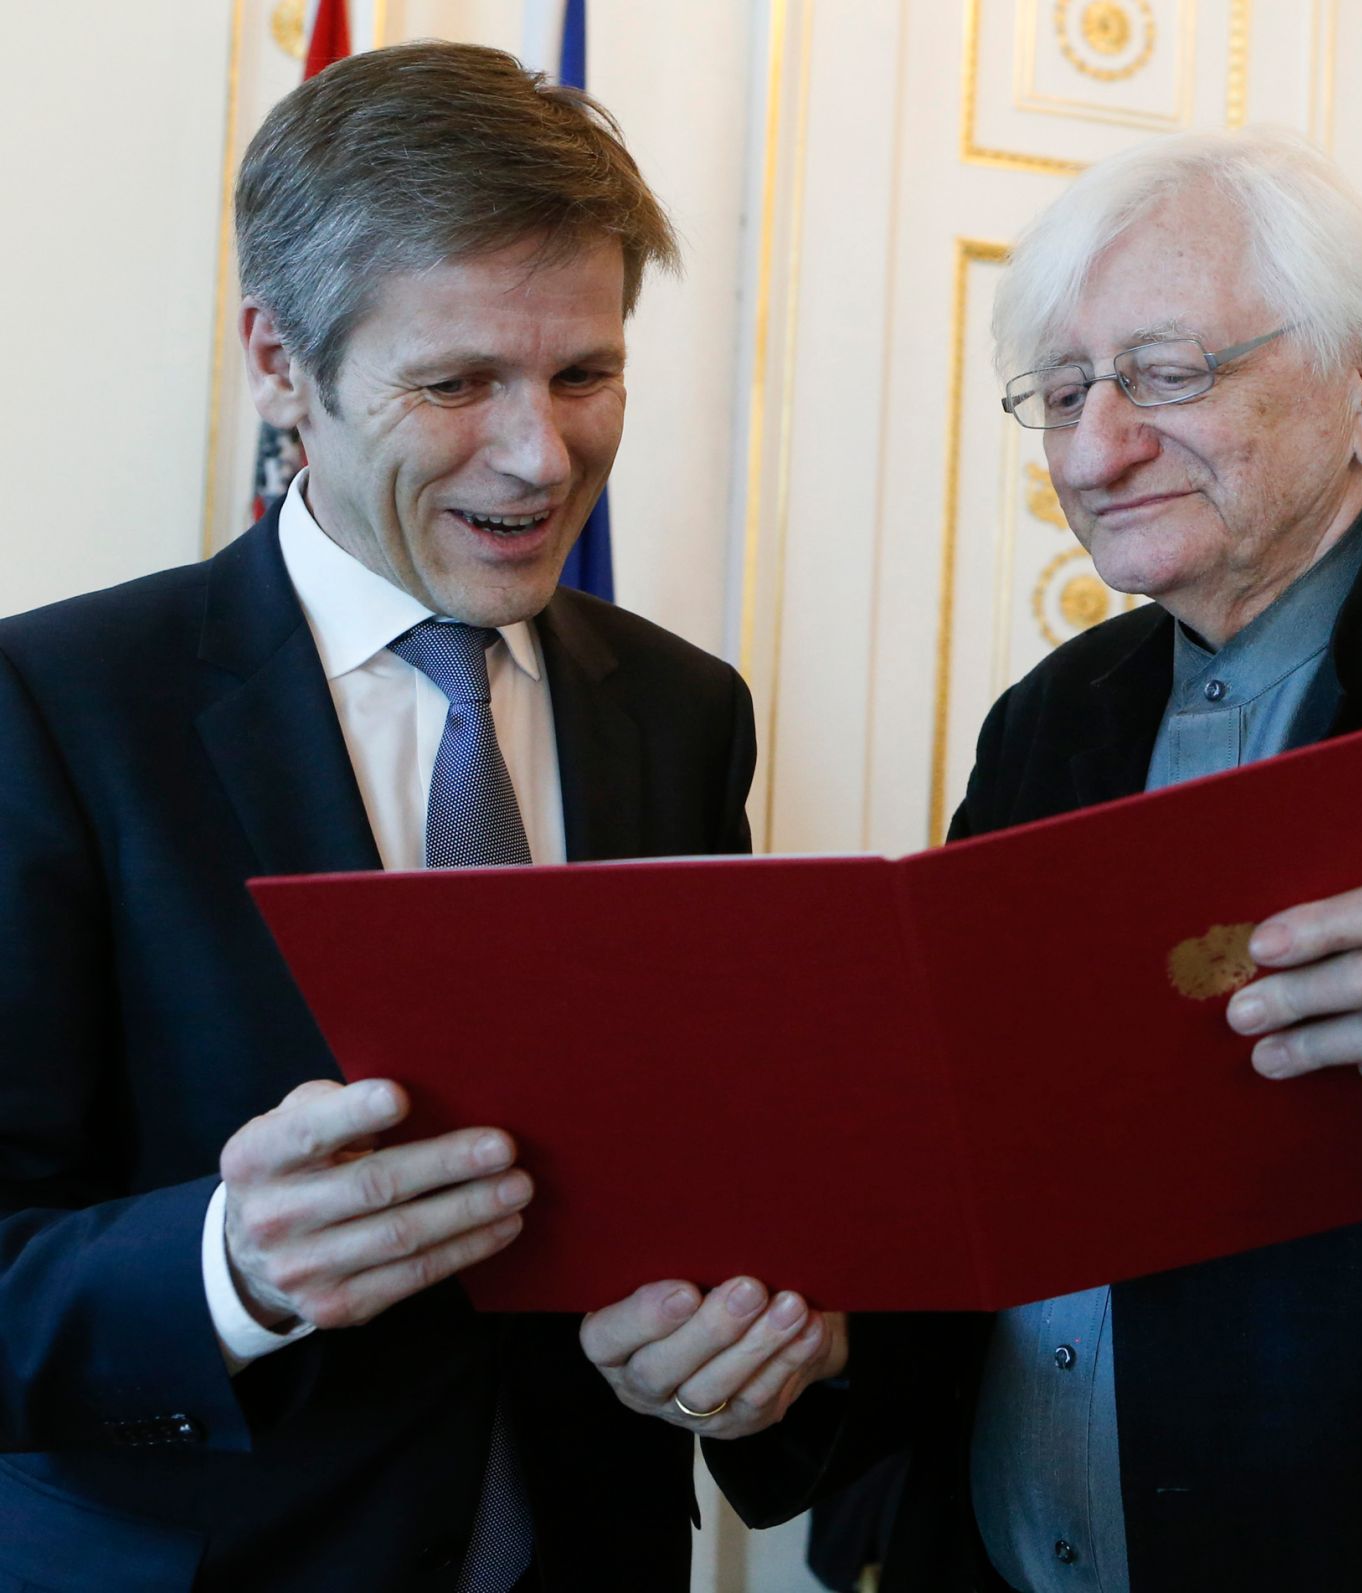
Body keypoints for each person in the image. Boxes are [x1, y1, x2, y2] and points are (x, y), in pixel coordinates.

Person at [588, 127, 1362, 1590]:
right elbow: (969, 1187)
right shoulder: (1050, 724)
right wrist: (797, 1362)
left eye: (1167, 373)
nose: (1094, 449)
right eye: (1065, 391)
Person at [0, 41, 839, 1592]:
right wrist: (230, 1269)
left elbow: (722, 1159)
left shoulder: (682, 711)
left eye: (586, 374)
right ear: (278, 362)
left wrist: (756, 1358)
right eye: (456, 383)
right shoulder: (52, 705)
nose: (541, 455)